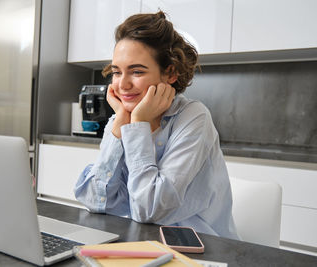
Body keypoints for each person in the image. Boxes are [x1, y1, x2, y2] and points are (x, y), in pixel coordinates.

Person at [74, 11, 239, 239]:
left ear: (169, 73)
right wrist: (119, 125)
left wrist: (138, 125)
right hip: (143, 243)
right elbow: (94, 200)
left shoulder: (194, 118)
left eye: (137, 71)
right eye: (116, 72)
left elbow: (150, 211)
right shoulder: (121, 119)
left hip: (202, 250)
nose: (123, 84)